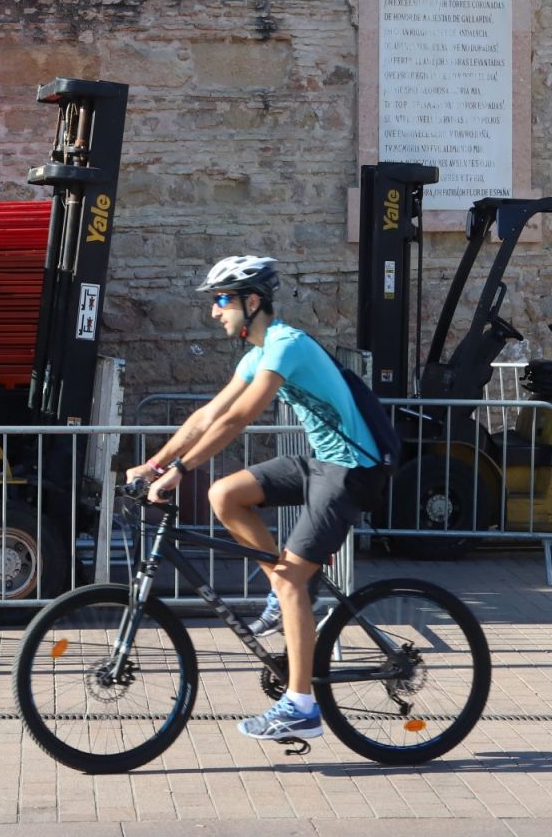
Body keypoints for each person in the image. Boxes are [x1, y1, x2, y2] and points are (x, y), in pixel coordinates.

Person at [125, 254, 386, 744]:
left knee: (291, 580)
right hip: (320, 464)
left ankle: (302, 706)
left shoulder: (285, 345)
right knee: (225, 494)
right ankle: (286, 593)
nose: (214, 311)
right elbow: (207, 416)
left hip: (352, 471)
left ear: (252, 302)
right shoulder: (255, 354)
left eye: (221, 300)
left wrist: (180, 471)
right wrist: (155, 465)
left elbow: (238, 419)